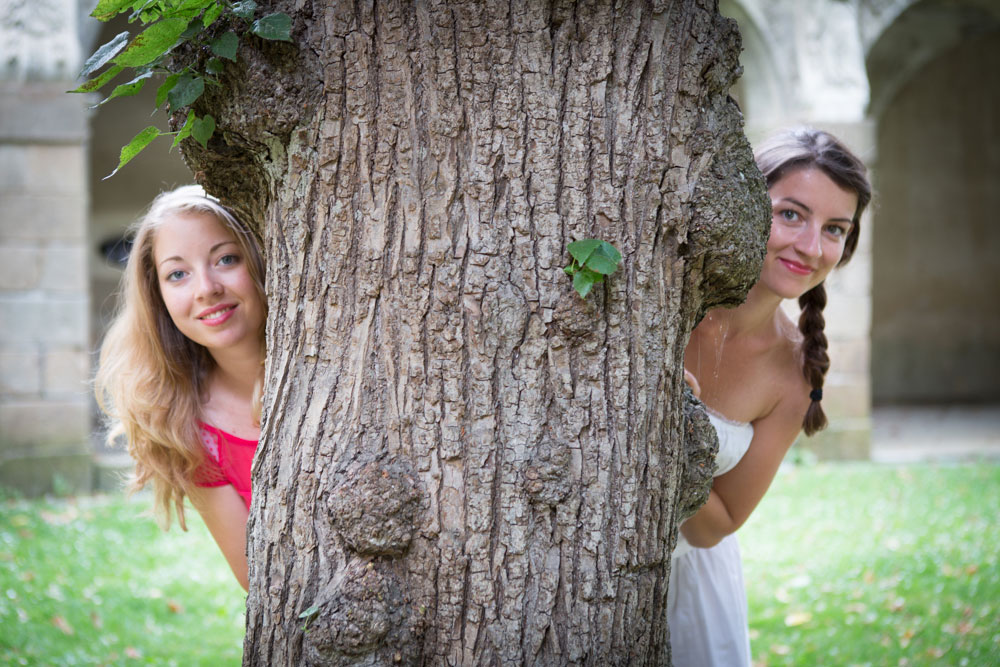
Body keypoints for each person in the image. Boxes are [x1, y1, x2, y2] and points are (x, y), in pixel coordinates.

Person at [668, 128, 872, 665]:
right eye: (790, 214)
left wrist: (677, 433)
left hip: (689, 589)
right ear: (741, 207)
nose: (810, 247)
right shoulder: (658, 298)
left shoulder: (795, 371)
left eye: (834, 228)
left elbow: (720, 524)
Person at [95, 185, 266, 592]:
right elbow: (258, 577)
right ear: (160, 299)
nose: (206, 288)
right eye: (178, 274)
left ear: (260, 258)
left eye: (226, 258)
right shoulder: (188, 428)